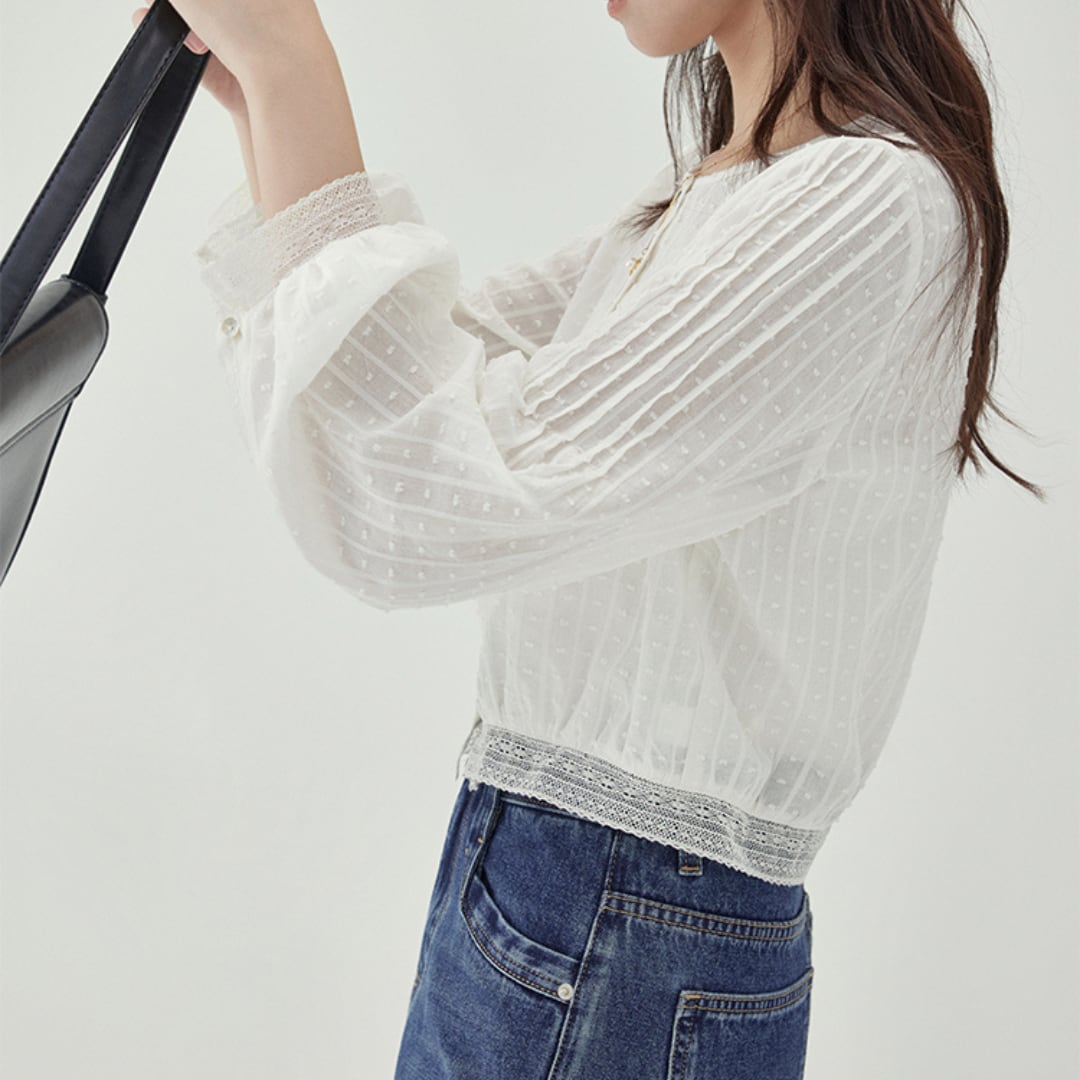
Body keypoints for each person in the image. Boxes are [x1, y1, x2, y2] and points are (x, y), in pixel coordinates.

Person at [133, 0, 1043, 1075]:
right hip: (581, 893)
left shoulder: (864, 203)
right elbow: (427, 397)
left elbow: (423, 493)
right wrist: (265, 99)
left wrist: (292, 68)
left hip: (619, 911)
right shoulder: (727, 198)